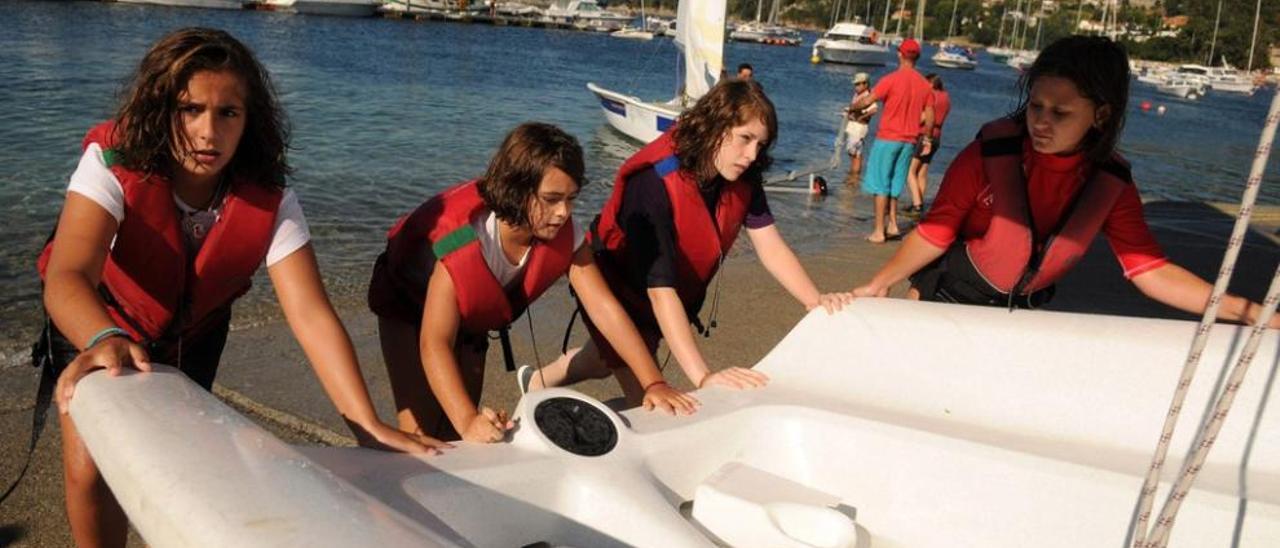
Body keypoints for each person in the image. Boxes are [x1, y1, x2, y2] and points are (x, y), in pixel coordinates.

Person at [36, 28, 442, 548]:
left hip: (195, 334)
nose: (208, 132)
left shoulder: (270, 201)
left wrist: (366, 424)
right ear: (161, 108)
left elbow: (311, 315)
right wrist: (100, 336)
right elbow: (68, 272)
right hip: (98, 322)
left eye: (228, 113)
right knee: (91, 472)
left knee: (181, 466)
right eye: (190, 109)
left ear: (250, 121)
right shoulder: (112, 163)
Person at [851, 35, 1280, 328]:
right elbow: (935, 231)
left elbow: (1150, 271)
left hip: (1020, 316)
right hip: (939, 300)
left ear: (1101, 116)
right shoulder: (990, 153)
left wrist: (1250, 313)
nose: (1040, 121)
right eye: (1035, 106)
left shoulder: (1110, 183)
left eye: (1060, 113)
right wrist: (878, 282)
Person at [367, 123, 700, 444]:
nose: (563, 213)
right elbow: (434, 342)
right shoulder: (467, 241)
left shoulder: (565, 233)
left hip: (471, 322)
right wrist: (468, 420)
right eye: (552, 198)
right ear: (518, 190)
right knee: (423, 436)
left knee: (458, 439)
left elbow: (604, 308)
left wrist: (653, 382)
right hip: (408, 309)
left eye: (571, 198)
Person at [525, 80, 852, 397]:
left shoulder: (742, 177)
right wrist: (703, 376)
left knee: (599, 362)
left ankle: (538, 383)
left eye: (761, 144)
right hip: (617, 287)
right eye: (745, 138)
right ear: (714, 126)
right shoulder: (653, 184)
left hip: (656, 294)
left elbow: (769, 243)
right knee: (651, 404)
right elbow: (661, 292)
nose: (752, 154)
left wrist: (814, 299)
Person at [849, 38, 935, 244]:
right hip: (909, 141)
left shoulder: (891, 79)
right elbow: (930, 117)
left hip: (888, 138)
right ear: (918, 57)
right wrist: (928, 139)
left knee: (880, 185)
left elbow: (868, 101)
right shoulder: (925, 85)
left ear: (899, 54)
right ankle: (893, 225)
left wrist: (853, 107)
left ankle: (879, 231)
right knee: (895, 185)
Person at [904, 73, 950, 219]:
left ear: (931, 83)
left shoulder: (930, 96)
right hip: (937, 137)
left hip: (924, 136)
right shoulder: (946, 97)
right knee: (922, 172)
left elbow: (924, 117)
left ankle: (917, 205)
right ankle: (918, 202)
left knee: (910, 172)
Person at [842, 72, 877, 184]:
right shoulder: (857, 95)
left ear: (865, 84)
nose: (856, 87)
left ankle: (855, 175)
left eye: (858, 84)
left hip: (859, 127)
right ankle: (854, 175)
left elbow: (874, 109)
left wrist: (862, 116)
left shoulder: (868, 95)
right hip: (853, 126)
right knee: (853, 151)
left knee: (854, 150)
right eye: (855, 84)